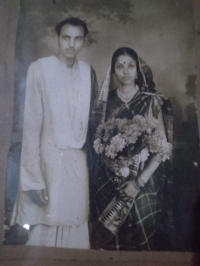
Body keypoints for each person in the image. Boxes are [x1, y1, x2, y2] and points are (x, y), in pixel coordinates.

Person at [11, 17, 98, 249]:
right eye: (66, 38)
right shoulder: (39, 69)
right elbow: (31, 126)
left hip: (77, 165)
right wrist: (33, 180)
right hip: (47, 163)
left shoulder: (88, 73)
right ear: (57, 38)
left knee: (75, 226)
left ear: (83, 42)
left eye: (78, 39)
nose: (72, 44)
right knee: (45, 228)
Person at [90, 47, 174, 251]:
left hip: (144, 182)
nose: (125, 71)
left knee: (142, 242)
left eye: (130, 66)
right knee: (111, 246)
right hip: (109, 184)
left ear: (138, 69)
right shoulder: (105, 103)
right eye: (120, 66)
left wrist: (138, 183)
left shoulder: (152, 100)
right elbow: (96, 143)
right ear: (113, 71)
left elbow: (162, 149)